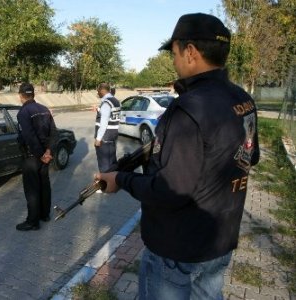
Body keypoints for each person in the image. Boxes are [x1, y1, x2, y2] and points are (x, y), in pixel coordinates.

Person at [96, 13, 260, 299]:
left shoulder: (188, 109)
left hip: (178, 251)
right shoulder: (242, 98)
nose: (173, 61)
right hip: (219, 241)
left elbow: (170, 191)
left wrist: (121, 179)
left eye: (174, 53)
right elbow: (249, 156)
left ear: (191, 52)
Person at [16, 83, 57, 231]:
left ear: (20, 95)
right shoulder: (45, 110)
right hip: (45, 156)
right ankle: (44, 215)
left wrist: (41, 155)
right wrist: (49, 152)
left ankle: (32, 222)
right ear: (33, 94)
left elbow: (29, 137)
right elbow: (54, 133)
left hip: (33, 157)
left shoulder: (23, 113)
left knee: (32, 189)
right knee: (44, 185)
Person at [94, 83, 120, 173]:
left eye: (98, 91)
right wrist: (98, 109)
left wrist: (98, 139)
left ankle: (106, 185)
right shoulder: (115, 101)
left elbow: (104, 122)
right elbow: (110, 115)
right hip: (113, 135)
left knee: (104, 164)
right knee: (112, 161)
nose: (98, 93)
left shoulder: (106, 103)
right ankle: (114, 181)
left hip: (105, 137)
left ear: (102, 90)